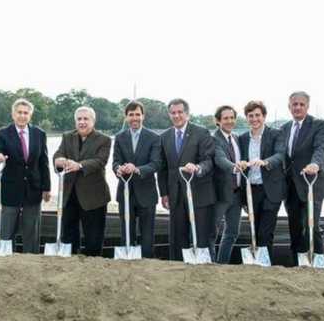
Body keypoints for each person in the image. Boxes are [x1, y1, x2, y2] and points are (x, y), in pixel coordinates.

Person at [158, 98, 216, 261]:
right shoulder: (164, 137)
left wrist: (198, 168)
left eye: (180, 112)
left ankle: (204, 268)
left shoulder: (201, 132)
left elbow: (209, 160)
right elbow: (162, 168)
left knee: (202, 236)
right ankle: (177, 268)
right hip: (175, 195)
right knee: (177, 237)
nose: (176, 116)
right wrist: (163, 193)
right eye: (173, 113)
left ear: (187, 114)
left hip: (199, 193)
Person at [0, 98, 51, 253]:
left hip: (34, 189)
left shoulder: (39, 134)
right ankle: (5, 257)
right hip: (11, 189)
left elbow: (43, 162)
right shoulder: (3, 134)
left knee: (32, 230)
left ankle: (30, 259)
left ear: (30, 115)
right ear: (13, 114)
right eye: (19, 112)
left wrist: (46, 188)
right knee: (7, 229)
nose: (22, 116)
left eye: (26, 113)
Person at [52, 106, 111, 256]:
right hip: (69, 195)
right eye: (79, 119)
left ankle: (93, 266)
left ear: (93, 121)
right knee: (69, 238)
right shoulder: (67, 136)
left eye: (86, 119)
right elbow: (58, 154)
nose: (82, 122)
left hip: (94, 197)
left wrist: (79, 165)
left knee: (94, 239)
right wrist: (58, 160)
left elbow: (100, 161)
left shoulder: (104, 140)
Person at [281, 91, 324, 265]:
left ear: (307, 106)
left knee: (312, 226)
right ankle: (296, 264)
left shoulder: (318, 125)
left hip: (312, 184)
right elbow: (284, 156)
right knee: (294, 227)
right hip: (291, 187)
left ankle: (317, 263)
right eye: (294, 104)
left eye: (302, 104)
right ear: (289, 107)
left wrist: (316, 164)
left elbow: (322, 148)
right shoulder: (285, 128)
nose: (298, 107)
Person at [237, 100, 286, 261]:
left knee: (266, 231)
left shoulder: (276, 134)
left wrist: (265, 162)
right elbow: (240, 160)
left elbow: (280, 155)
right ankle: (256, 265)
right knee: (254, 228)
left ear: (264, 116)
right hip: (251, 190)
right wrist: (242, 164)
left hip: (271, 190)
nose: (254, 119)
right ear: (247, 118)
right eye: (250, 116)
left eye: (257, 115)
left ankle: (265, 266)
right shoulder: (243, 138)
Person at [112, 100, 161, 258]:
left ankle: (146, 260)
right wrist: (118, 169)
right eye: (131, 115)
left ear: (143, 116)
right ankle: (127, 260)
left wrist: (137, 169)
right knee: (126, 230)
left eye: (137, 114)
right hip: (125, 192)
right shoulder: (119, 137)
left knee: (147, 234)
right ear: (126, 117)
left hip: (146, 192)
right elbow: (115, 161)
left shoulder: (153, 137)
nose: (135, 118)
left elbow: (156, 164)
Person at [212, 105, 243, 264]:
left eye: (232, 118)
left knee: (232, 232)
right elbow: (220, 159)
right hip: (220, 194)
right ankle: (210, 265)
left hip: (237, 194)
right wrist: (234, 166)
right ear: (218, 121)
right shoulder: (214, 139)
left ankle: (222, 264)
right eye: (225, 118)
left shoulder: (236, 138)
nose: (229, 121)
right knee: (212, 232)